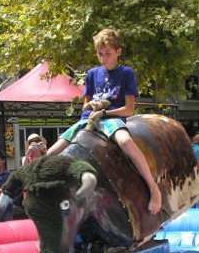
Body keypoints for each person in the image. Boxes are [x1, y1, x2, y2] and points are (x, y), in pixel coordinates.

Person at [46, 28, 161, 214]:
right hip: (88, 119)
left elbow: (129, 109)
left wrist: (105, 112)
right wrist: (91, 105)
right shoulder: (91, 74)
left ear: (118, 52)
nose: (103, 58)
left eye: (107, 53)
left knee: (126, 142)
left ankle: (153, 188)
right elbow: (84, 105)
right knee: (51, 151)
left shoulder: (126, 73)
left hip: (111, 118)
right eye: (100, 54)